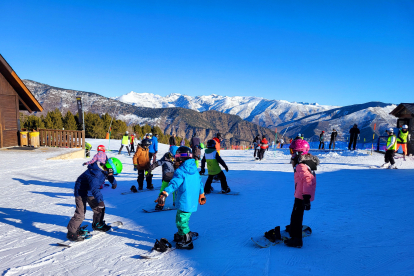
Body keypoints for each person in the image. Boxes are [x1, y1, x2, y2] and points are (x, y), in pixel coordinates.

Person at [264, 139, 319, 248]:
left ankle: (297, 240)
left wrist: (306, 198)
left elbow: (308, 180)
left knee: (296, 217)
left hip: (302, 196)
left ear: (299, 152)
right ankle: (293, 229)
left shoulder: (301, 165)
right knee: (296, 215)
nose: (291, 154)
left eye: (292, 151)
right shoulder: (305, 163)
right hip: (302, 194)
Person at [156, 146, 206, 250]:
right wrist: (201, 194)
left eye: (176, 158)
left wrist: (165, 193)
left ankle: (187, 241)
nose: (175, 161)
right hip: (191, 201)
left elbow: (174, 184)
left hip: (185, 201)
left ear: (181, 158)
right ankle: (181, 234)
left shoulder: (181, 171)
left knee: (181, 221)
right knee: (181, 219)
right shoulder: (194, 169)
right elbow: (200, 182)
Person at [66, 157, 122, 241]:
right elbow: (95, 189)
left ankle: (98, 224)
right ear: (109, 169)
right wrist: (100, 201)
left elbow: (107, 175)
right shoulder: (96, 174)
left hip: (89, 191)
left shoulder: (103, 169)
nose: (112, 174)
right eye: (112, 173)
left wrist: (113, 182)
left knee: (99, 209)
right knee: (80, 214)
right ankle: (71, 233)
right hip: (81, 192)